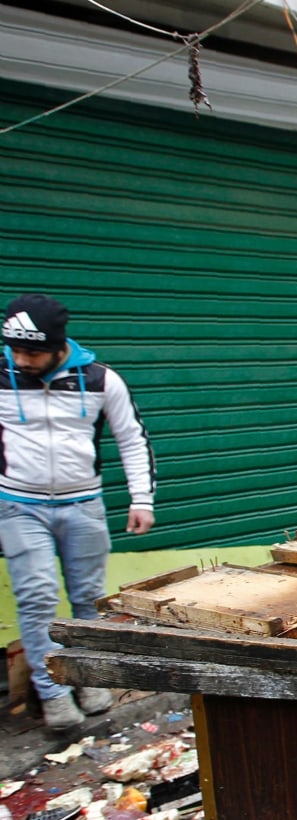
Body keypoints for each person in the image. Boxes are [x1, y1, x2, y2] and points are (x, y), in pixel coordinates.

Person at [0, 294, 156, 730]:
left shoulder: (101, 380)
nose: (20, 359)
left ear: (58, 344)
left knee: (87, 600)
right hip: (18, 505)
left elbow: (132, 438)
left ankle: (89, 679)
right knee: (37, 600)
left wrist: (141, 500)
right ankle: (53, 695)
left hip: (83, 505)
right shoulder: (1, 375)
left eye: (31, 351)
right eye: (14, 349)